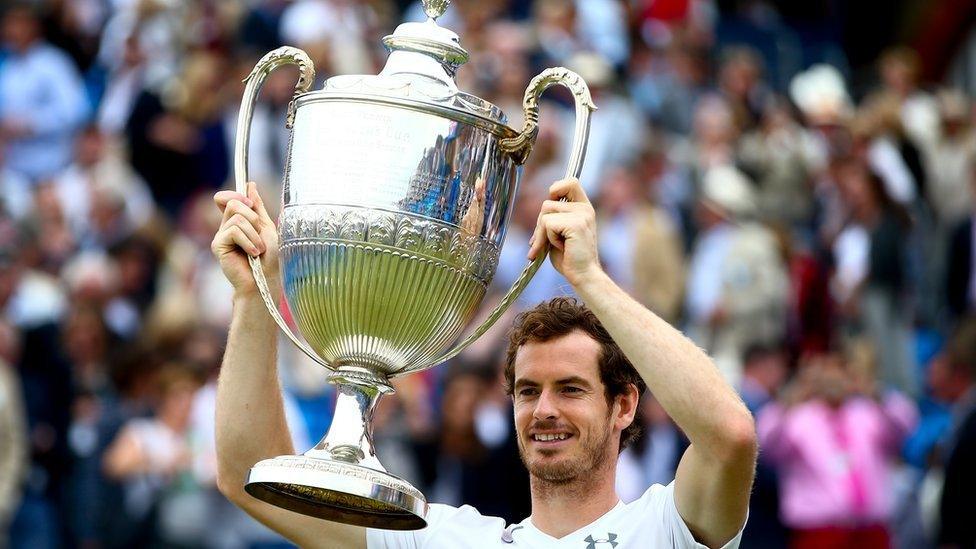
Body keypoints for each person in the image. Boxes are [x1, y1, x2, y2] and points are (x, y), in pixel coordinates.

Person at [210, 178, 757, 548]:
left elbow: (729, 435)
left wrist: (589, 279)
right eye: (527, 390)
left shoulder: (664, 528)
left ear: (624, 405)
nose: (544, 410)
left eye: (570, 388)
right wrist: (254, 298)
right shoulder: (450, 538)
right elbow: (249, 474)